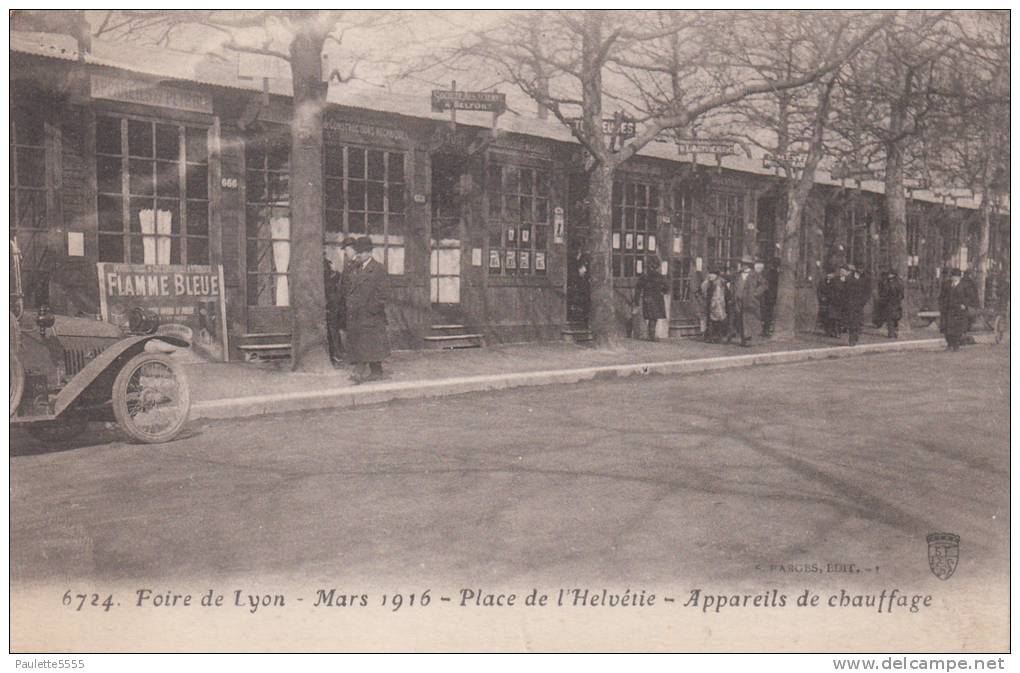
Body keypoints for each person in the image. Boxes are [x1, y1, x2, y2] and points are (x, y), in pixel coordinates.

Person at [344, 236, 391, 382]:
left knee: (366, 343)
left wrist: (371, 309)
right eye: (358, 252)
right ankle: (377, 372)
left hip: (371, 315)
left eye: (362, 252)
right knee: (367, 344)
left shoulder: (378, 269)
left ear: (370, 253)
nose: (359, 255)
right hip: (357, 313)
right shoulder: (356, 268)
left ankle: (358, 371)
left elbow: (384, 294)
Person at [730, 256, 765, 347]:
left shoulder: (755, 274)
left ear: (748, 265)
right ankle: (743, 338)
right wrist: (733, 293)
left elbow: (764, 284)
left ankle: (749, 338)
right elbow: (733, 285)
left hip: (750, 300)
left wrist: (756, 293)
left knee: (749, 319)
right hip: (738, 300)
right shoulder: (738, 275)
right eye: (741, 263)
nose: (741, 265)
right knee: (740, 319)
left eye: (743, 264)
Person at [939, 268, 976, 351]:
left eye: (956, 276)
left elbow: (970, 297)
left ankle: (956, 345)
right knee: (947, 328)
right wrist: (942, 306)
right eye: (952, 276)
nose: (954, 278)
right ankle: (949, 344)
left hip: (959, 310)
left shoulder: (965, 286)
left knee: (957, 328)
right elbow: (942, 296)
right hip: (948, 309)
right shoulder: (947, 285)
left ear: (959, 277)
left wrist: (965, 305)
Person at [635, 256, 668, 341]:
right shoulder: (660, 277)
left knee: (651, 318)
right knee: (654, 318)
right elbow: (666, 288)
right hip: (657, 299)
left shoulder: (644, 277)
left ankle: (651, 335)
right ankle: (651, 336)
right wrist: (662, 292)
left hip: (648, 298)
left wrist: (636, 300)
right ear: (657, 266)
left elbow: (638, 288)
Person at [324, 251, 343, 366]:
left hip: (331, 301)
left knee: (333, 328)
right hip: (328, 300)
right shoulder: (324, 264)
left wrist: (335, 273)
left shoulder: (327, 263)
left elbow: (331, 282)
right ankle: (334, 353)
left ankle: (336, 353)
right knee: (331, 329)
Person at [700, 269, 728, 343]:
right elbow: (703, 290)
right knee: (711, 320)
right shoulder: (708, 282)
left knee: (718, 319)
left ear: (716, 275)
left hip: (718, 303)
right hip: (710, 302)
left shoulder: (719, 283)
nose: (710, 275)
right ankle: (711, 336)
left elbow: (719, 295)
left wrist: (715, 303)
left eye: (712, 274)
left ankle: (719, 336)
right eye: (710, 273)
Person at [877, 269, 904, 339]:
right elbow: (902, 295)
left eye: (889, 274)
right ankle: (895, 333)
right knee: (895, 318)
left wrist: (883, 300)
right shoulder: (899, 282)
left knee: (890, 319)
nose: (888, 275)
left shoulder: (888, 283)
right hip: (896, 303)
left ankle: (891, 334)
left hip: (890, 303)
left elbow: (885, 293)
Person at [817, 271, 837, 337]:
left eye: (831, 274)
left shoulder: (836, 282)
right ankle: (827, 331)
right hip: (824, 301)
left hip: (832, 302)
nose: (829, 275)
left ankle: (833, 331)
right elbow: (819, 291)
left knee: (832, 317)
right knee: (825, 316)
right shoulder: (822, 282)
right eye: (828, 274)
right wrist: (822, 297)